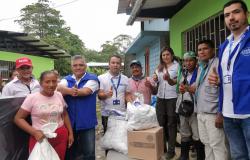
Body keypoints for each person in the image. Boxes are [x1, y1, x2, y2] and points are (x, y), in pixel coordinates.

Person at [208, 1, 250, 159]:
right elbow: (227, 77)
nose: (231, 17)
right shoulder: (224, 46)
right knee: (238, 156)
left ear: (246, 14)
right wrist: (218, 80)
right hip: (228, 114)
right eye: (227, 15)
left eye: (236, 12)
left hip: (248, 113)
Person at [14, 70, 74, 160]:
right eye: (47, 82)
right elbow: (18, 118)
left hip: (60, 135)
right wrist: (34, 132)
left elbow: (64, 114)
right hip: (40, 137)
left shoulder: (59, 95)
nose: (51, 85)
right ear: (41, 83)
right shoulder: (32, 98)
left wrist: (70, 133)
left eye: (54, 81)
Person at [57, 55, 99, 160]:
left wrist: (67, 90)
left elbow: (85, 91)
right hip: (69, 122)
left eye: (81, 65)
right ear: (71, 67)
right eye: (75, 65)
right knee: (70, 152)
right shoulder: (67, 79)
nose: (78, 67)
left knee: (88, 153)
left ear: (85, 66)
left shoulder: (93, 79)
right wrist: (71, 91)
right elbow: (58, 88)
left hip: (87, 122)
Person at [195, 40, 228, 160]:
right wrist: (187, 88)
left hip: (213, 113)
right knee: (206, 143)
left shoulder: (219, 64)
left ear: (213, 50)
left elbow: (225, 89)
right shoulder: (200, 67)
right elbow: (199, 89)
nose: (202, 52)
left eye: (205, 49)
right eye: (199, 50)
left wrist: (220, 113)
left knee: (217, 145)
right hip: (200, 113)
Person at [176, 51, 205, 160]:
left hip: (195, 108)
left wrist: (187, 88)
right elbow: (177, 87)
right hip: (183, 106)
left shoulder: (200, 72)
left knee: (197, 134)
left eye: (191, 60)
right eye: (186, 60)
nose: (188, 63)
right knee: (184, 132)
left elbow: (200, 89)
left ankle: (200, 156)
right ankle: (184, 156)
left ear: (196, 61)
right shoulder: (182, 73)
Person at [153, 46, 179, 159]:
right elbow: (157, 83)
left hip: (172, 98)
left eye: (167, 54)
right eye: (163, 55)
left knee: (171, 124)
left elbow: (177, 82)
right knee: (161, 123)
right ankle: (162, 148)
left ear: (172, 55)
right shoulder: (159, 67)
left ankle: (171, 150)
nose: (165, 57)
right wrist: (154, 79)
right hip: (160, 98)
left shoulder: (177, 66)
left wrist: (168, 79)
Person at [98, 55, 132, 133]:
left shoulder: (125, 78)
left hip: (122, 113)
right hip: (107, 114)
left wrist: (132, 105)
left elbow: (127, 95)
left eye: (118, 63)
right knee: (108, 139)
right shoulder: (101, 78)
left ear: (120, 65)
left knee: (121, 138)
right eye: (113, 63)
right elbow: (100, 96)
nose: (115, 65)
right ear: (109, 64)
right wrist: (106, 95)